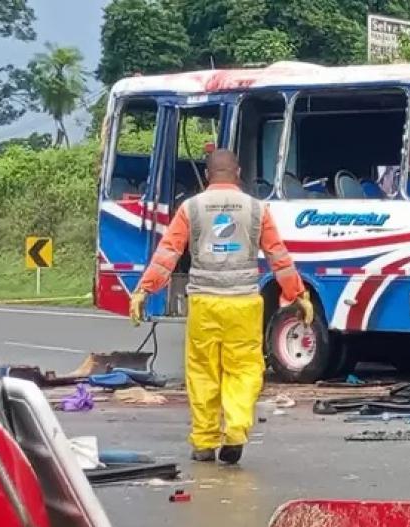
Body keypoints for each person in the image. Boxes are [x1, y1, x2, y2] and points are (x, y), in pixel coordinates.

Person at [129, 149, 314, 464]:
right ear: (237, 172)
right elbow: (277, 256)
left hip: (204, 303)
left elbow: (168, 253)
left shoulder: (191, 208)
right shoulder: (257, 209)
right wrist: (299, 295)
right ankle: (236, 431)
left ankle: (204, 442)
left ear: (207, 174)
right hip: (243, 304)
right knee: (243, 370)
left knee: (203, 372)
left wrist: (143, 290)